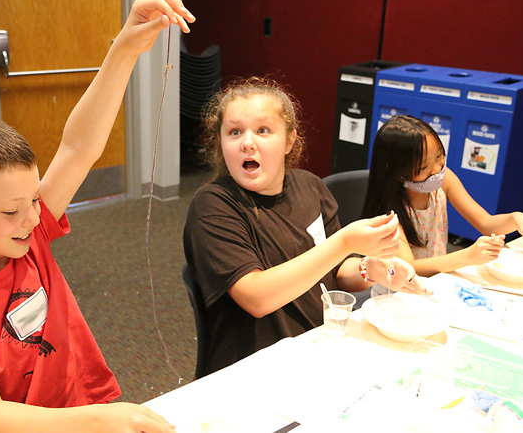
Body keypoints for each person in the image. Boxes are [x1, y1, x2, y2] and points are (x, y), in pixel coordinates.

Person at [0, 0, 194, 433]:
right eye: (10, 211)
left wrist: (124, 48)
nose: (31, 218)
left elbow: (79, 147)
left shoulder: (28, 232)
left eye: (34, 201)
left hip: (76, 411)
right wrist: (104, 417)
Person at [183, 78, 427, 374]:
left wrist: (371, 269)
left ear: (288, 140)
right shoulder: (213, 205)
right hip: (255, 370)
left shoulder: (310, 187)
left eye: (263, 130)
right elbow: (256, 297)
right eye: (235, 132)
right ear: (221, 144)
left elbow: (338, 271)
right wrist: (344, 243)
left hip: (317, 348)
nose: (248, 142)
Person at [361, 114, 523, 277]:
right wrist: (466, 256)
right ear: (399, 172)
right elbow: (409, 268)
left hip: (438, 281)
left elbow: (485, 223)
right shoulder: (389, 213)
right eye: (423, 167)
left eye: (439, 157)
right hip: (399, 293)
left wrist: (515, 218)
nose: (437, 170)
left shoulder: (445, 181)